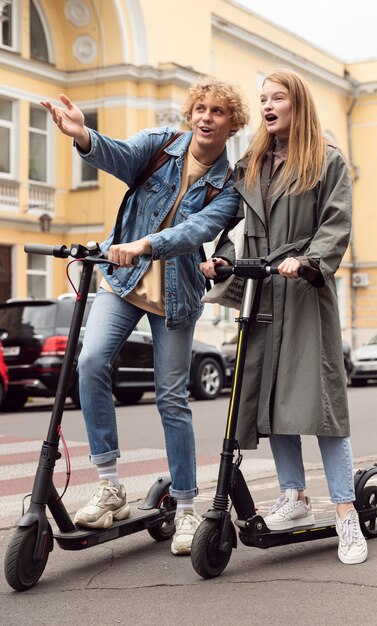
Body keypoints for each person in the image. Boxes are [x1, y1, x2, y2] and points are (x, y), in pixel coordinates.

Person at [41, 77, 249, 555]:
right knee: (90, 363)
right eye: (200, 107)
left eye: (217, 111)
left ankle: (187, 506)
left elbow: (198, 228)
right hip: (124, 283)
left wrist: (145, 245)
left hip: (176, 296)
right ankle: (110, 485)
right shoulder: (160, 144)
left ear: (232, 122)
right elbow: (117, 155)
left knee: (171, 399)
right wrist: (83, 136)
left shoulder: (231, 187)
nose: (205, 117)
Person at [200, 69, 367, 565]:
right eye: (264, 99)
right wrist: (222, 257)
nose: (269, 106)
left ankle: (345, 514)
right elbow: (227, 220)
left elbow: (337, 222)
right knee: (272, 403)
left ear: (298, 105)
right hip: (261, 295)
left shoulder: (326, 161)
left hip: (305, 295)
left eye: (278, 98)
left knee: (320, 406)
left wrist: (310, 260)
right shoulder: (250, 164)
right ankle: (293, 497)